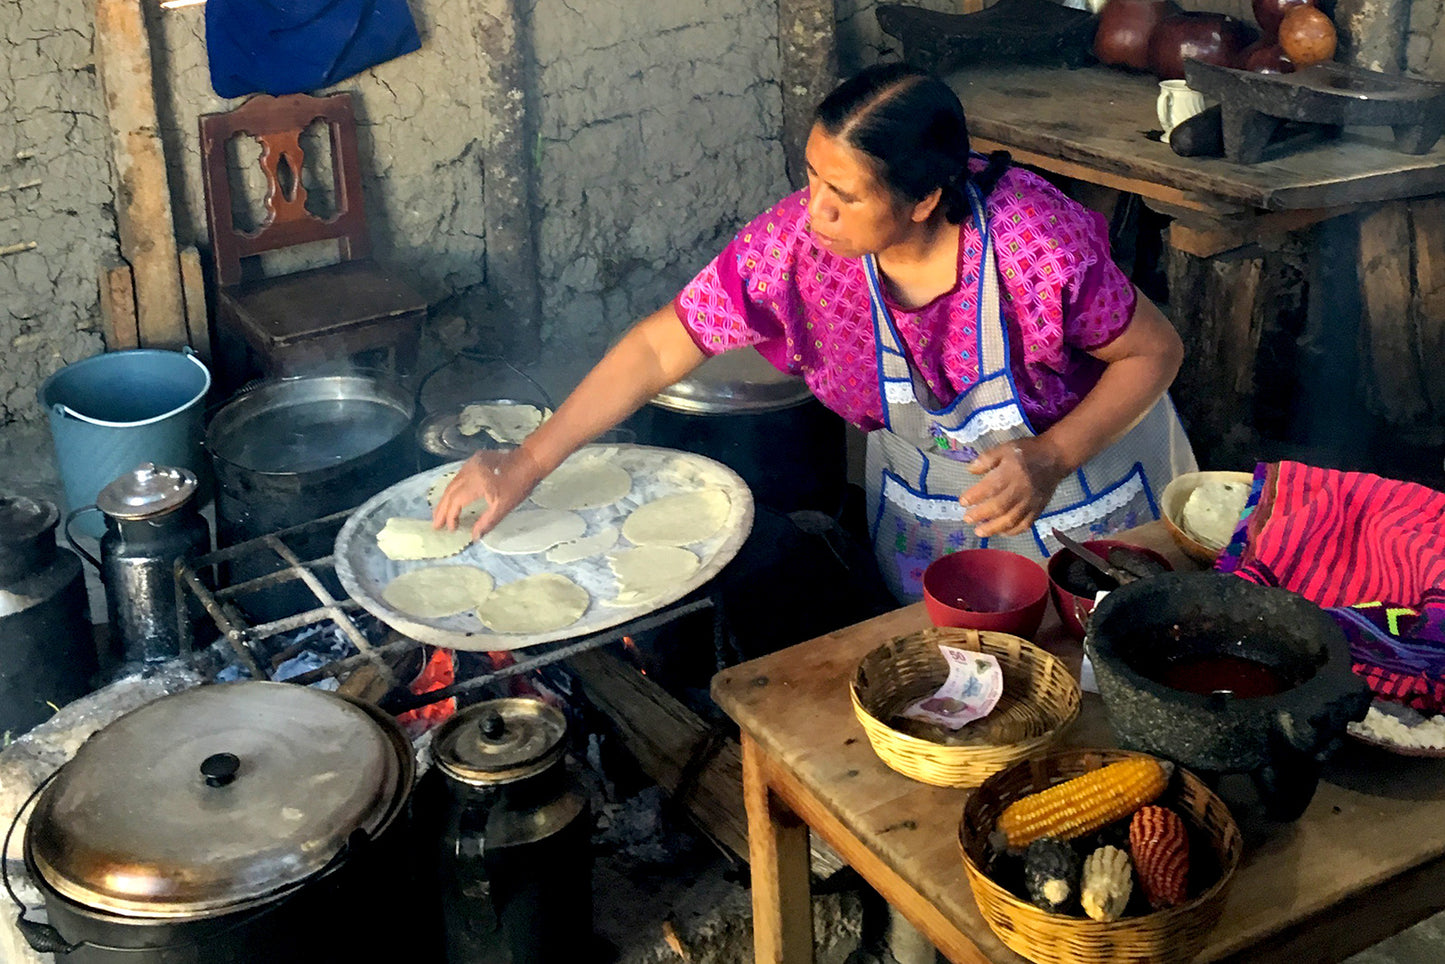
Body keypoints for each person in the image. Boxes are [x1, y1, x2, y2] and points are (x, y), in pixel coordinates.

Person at [435, 62, 1198, 601]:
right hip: (932, 519)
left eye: (843, 194)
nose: (814, 211)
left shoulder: (1034, 248)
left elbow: (1154, 351)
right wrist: (529, 460)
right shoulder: (800, 250)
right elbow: (660, 344)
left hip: (1087, 507)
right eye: (810, 177)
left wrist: (1050, 455)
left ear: (924, 198)